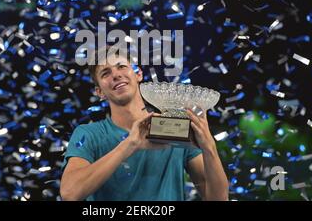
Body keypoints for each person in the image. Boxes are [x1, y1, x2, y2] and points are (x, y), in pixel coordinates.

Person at [60, 49, 229, 201]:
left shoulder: (174, 129)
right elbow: (70, 193)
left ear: (138, 74)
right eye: (105, 73)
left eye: (121, 67)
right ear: (100, 92)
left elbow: (218, 198)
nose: (116, 75)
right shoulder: (89, 134)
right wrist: (130, 144)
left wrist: (209, 147)